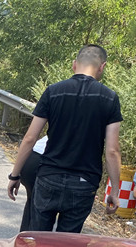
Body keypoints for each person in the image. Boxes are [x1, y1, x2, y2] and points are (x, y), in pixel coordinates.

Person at [7, 44, 123, 233]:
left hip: (48, 178)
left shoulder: (54, 91)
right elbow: (112, 150)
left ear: (74, 64)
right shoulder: (110, 98)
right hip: (84, 184)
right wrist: (115, 191)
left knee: (38, 240)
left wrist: (15, 175)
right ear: (102, 67)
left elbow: (30, 138)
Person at [19, 137, 47, 231]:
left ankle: (23, 241)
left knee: (32, 204)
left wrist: (15, 174)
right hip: (47, 162)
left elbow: (29, 139)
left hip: (32, 157)